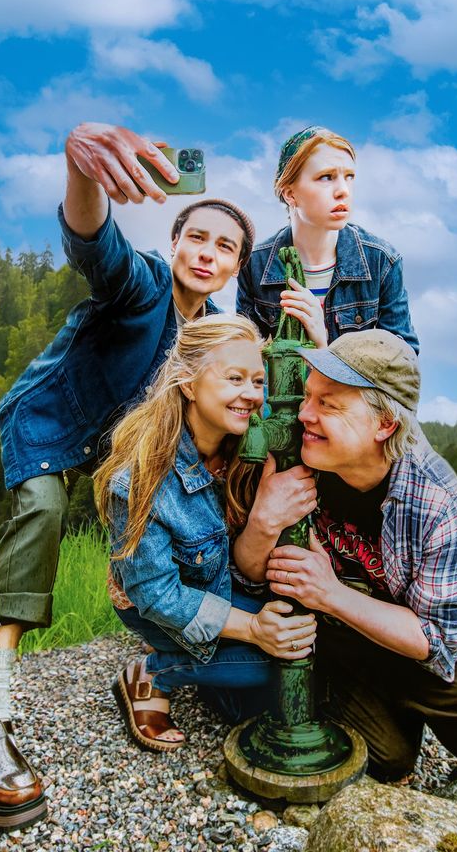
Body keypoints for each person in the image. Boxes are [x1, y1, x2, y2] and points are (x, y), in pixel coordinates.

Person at [0, 122, 257, 830]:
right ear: (174, 244)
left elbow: (177, 440)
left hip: (116, 457)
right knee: (43, 515)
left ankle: (153, 667)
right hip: (50, 429)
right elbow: (95, 245)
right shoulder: (143, 286)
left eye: (225, 248)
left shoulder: (211, 335)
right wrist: (80, 169)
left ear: (236, 267)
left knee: (200, 508)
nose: (208, 254)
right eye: (198, 239)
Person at [231, 329, 457, 828]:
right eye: (308, 397)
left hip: (406, 642)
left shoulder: (438, 501)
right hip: (338, 644)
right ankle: (393, 725)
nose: (304, 415)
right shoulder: (300, 456)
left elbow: (434, 638)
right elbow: (254, 574)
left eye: (329, 405)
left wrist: (330, 592)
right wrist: (262, 521)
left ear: (385, 424)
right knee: (387, 761)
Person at [95, 313, 318, 750]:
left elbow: (315, 405)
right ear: (189, 384)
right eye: (234, 378)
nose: (251, 395)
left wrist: (319, 341)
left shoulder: (250, 436)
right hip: (159, 603)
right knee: (271, 665)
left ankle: (221, 678)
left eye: (258, 381)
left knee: (297, 656)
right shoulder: (139, 477)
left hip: (224, 583)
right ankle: (154, 671)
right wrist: (254, 629)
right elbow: (159, 595)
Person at [236, 126, 419, 353]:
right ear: (290, 193)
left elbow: (402, 366)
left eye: (349, 177)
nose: (343, 190)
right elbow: (244, 362)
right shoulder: (254, 264)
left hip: (353, 391)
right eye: (326, 177)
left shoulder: (381, 261)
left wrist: (324, 350)